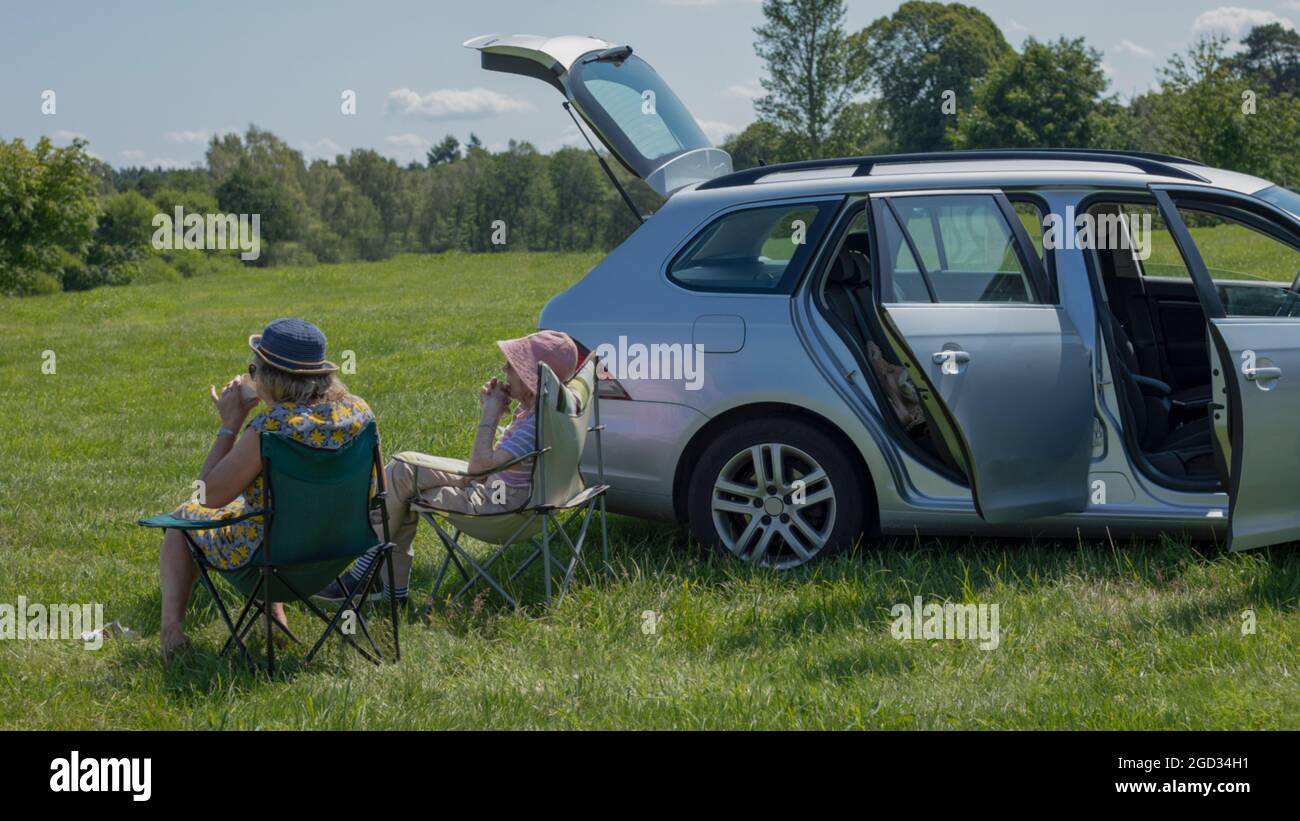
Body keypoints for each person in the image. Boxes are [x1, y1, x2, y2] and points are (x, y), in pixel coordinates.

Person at [159, 318, 374, 661]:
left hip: (272, 563)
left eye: (254, 369)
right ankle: (274, 617)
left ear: (271, 377)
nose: (252, 376)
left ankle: (171, 633)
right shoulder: (359, 412)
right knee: (270, 515)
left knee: (181, 521)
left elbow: (207, 496)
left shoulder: (270, 430)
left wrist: (230, 424)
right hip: (338, 552)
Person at [316, 330, 580, 605]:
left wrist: (490, 413)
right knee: (403, 477)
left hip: (500, 504)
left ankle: (366, 577)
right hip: (522, 495)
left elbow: (479, 467)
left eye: (512, 366)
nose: (504, 370)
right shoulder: (553, 408)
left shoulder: (532, 425)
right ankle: (384, 587)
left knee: (404, 470)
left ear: (531, 380)